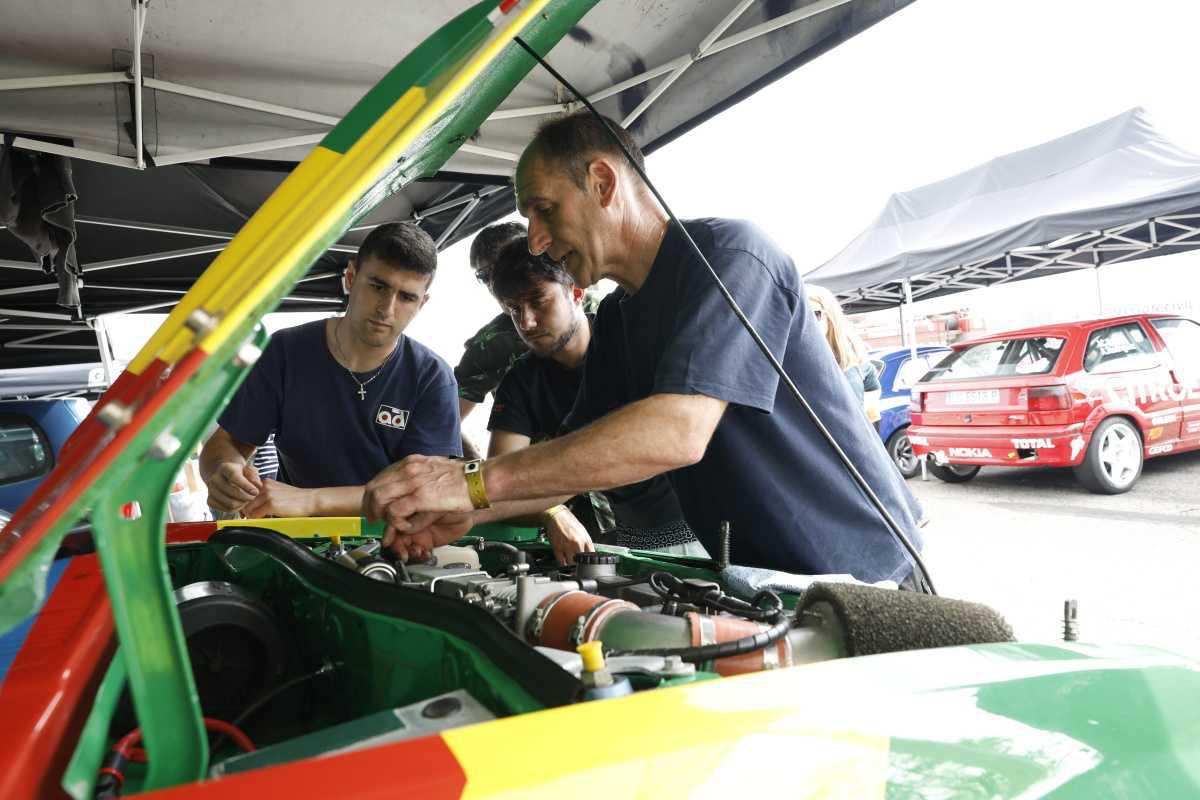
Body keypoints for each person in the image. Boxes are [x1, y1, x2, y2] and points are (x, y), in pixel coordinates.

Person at [364, 112, 924, 587]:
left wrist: (472, 484)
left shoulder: (730, 258)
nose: (534, 239)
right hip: (764, 584)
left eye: (544, 210)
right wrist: (465, 510)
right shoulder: (619, 322)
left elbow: (677, 431)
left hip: (867, 573)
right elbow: (572, 469)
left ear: (603, 183)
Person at [201, 221, 461, 518]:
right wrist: (225, 471)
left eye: (407, 297)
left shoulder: (432, 378)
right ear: (350, 277)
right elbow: (226, 443)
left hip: (391, 544)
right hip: (294, 540)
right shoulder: (285, 350)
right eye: (378, 286)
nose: (387, 309)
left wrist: (310, 500)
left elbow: (422, 491)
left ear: (422, 303)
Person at [486, 238, 703, 564]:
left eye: (538, 301)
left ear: (576, 292)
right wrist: (551, 510)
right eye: (514, 309)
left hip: (700, 531)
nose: (527, 322)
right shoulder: (522, 380)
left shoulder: (628, 337)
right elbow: (500, 479)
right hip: (625, 539)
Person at [453, 222, 602, 458]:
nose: (500, 277)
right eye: (485, 275)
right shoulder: (492, 348)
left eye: (520, 258)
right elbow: (443, 422)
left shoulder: (615, 322)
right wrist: (477, 471)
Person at [807, 284, 882, 428]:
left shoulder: (851, 356)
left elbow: (872, 385)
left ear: (830, 316)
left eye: (814, 314)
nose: (805, 321)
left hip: (851, 441)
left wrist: (860, 411)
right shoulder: (794, 357)